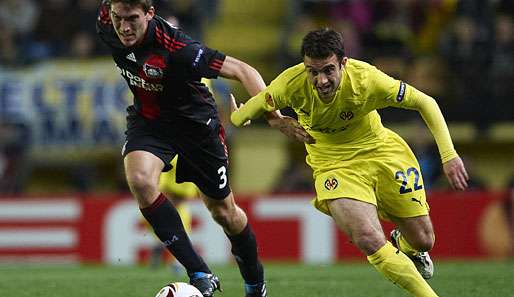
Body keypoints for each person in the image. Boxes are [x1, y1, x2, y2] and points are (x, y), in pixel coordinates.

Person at [230, 28, 469, 297]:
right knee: (367, 238)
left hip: (382, 152)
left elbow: (425, 102)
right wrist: (275, 121)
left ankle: (405, 245)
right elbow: (244, 114)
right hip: (333, 165)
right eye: (313, 71)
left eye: (328, 70)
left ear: (344, 63)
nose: (320, 80)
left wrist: (449, 156)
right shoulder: (289, 84)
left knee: (424, 239)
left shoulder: (367, 79)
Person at [95, 1, 302, 296]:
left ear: (150, 14)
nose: (125, 27)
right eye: (118, 18)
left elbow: (244, 69)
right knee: (140, 179)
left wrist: (274, 116)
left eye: (132, 19)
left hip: (196, 127)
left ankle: (255, 283)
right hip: (150, 121)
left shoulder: (178, 48)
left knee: (224, 213)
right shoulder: (106, 21)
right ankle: (200, 272)